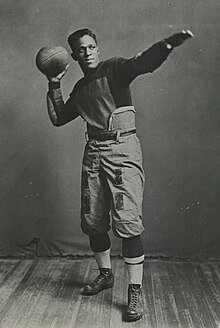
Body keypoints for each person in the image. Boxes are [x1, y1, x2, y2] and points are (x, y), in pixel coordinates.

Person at [45, 27, 193, 322]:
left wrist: (168, 43)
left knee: (128, 223)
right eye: (80, 50)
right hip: (94, 154)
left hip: (123, 149)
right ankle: (105, 275)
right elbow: (59, 118)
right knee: (94, 221)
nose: (86, 53)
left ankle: (134, 291)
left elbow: (144, 63)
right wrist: (53, 85)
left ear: (97, 49)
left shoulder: (114, 69)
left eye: (90, 47)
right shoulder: (80, 89)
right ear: (73, 56)